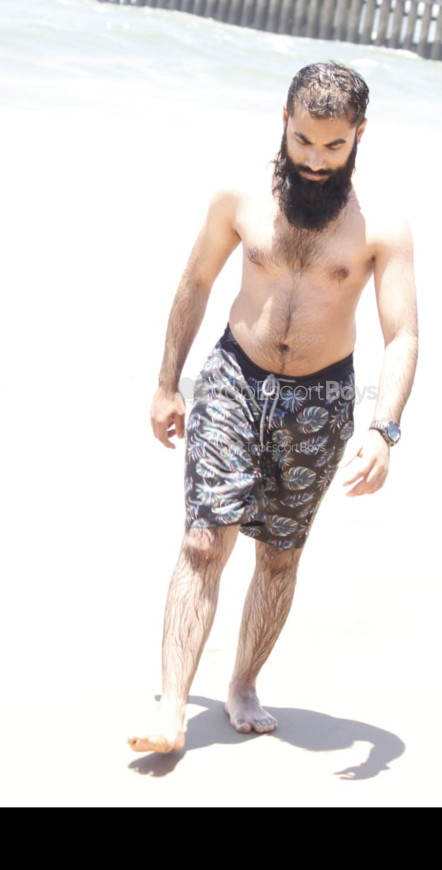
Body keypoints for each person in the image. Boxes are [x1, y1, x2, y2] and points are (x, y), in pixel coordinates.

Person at [128, 61, 418, 755]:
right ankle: (172, 710)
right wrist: (167, 382)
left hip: (321, 398)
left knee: (280, 557)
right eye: (304, 142)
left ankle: (243, 685)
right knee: (204, 541)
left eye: (334, 146)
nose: (315, 161)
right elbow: (195, 282)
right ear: (284, 121)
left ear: (360, 134)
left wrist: (384, 429)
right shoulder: (240, 196)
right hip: (234, 376)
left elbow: (403, 334)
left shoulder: (382, 225)